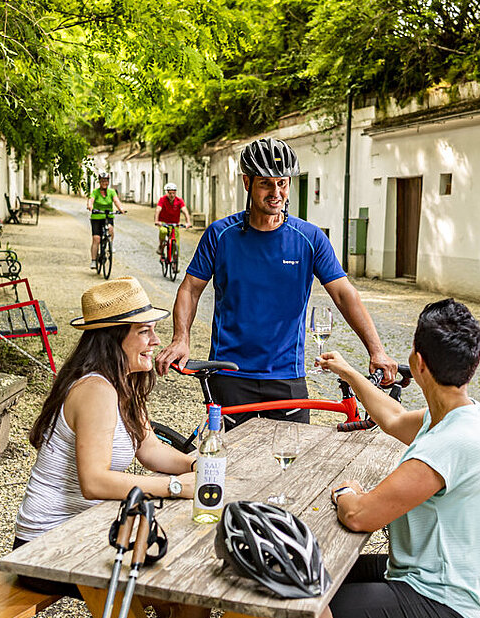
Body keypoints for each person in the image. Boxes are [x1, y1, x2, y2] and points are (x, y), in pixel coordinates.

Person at [254, 298, 480, 618]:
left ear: (417, 363)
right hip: (423, 576)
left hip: (445, 603)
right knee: (301, 576)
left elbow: (360, 516)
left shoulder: (450, 442)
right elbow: (394, 419)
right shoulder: (459, 414)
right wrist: (350, 373)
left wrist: (346, 493)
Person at [12, 277, 208, 618]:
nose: (155, 341)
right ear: (114, 338)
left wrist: (196, 466)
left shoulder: (124, 384)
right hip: (45, 545)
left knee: (179, 585)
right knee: (187, 591)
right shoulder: (96, 390)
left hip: (85, 530)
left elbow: (149, 449)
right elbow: (96, 482)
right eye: (145, 332)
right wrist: (179, 486)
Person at [154, 137, 397, 428]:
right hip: (229, 373)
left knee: (290, 466)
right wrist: (181, 338)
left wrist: (376, 350)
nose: (276, 192)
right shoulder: (221, 234)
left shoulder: (309, 238)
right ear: (247, 183)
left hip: (286, 375)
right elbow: (191, 289)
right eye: (266, 184)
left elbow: (344, 294)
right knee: (231, 466)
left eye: (282, 183)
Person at [87, 171, 125, 270]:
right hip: (97, 217)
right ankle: (94, 260)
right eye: (103, 180)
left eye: (106, 180)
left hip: (108, 216)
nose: (105, 182)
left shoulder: (112, 192)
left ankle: (110, 245)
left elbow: (116, 201)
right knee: (96, 239)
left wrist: (121, 209)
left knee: (110, 229)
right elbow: (91, 200)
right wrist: (90, 206)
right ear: (99, 181)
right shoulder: (95, 192)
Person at [155, 182, 192, 256]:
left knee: (176, 243)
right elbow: (158, 209)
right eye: (170, 193)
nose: (172, 195)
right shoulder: (162, 199)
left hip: (175, 224)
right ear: (167, 193)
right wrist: (156, 221)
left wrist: (188, 222)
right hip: (164, 222)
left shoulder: (179, 200)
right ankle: (161, 246)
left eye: (174, 193)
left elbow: (185, 211)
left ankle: (174, 261)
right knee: (163, 231)